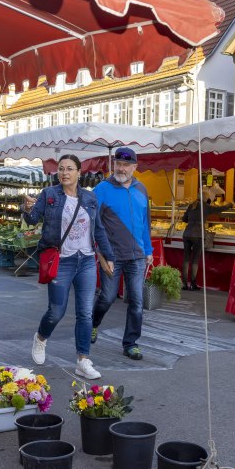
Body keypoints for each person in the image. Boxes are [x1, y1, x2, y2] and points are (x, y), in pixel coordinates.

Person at [23, 154, 114, 379]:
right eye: (61, 169)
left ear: (79, 172)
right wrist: (26, 208)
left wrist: (108, 255)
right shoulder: (49, 194)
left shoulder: (90, 198)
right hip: (61, 260)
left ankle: (82, 360)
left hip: (86, 260)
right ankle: (41, 338)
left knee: (85, 313)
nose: (64, 172)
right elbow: (32, 220)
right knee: (56, 310)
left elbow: (99, 229)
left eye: (70, 168)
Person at [91, 146, 152, 361]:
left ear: (135, 167)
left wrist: (149, 249)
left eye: (126, 165)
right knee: (107, 298)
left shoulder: (142, 189)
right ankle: (93, 323)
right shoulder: (101, 190)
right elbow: (92, 224)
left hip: (136, 256)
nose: (121, 168)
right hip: (111, 256)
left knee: (136, 301)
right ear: (113, 165)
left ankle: (131, 343)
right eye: (118, 164)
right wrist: (99, 252)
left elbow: (146, 223)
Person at [182, 187, 233, 291]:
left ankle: (184, 284)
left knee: (186, 259)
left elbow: (184, 219)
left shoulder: (191, 205)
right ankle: (193, 284)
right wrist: (230, 204)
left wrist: (192, 220)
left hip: (186, 233)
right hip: (198, 235)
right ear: (206, 198)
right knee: (195, 261)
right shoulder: (206, 206)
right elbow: (220, 209)